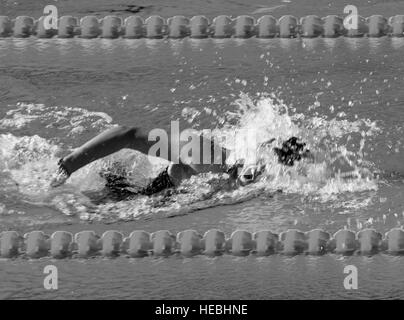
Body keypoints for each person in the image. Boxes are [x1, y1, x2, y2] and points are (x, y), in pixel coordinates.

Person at [50, 125, 312, 197]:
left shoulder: (259, 172)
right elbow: (127, 134)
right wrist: (70, 164)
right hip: (205, 156)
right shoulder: (203, 154)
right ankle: (70, 163)